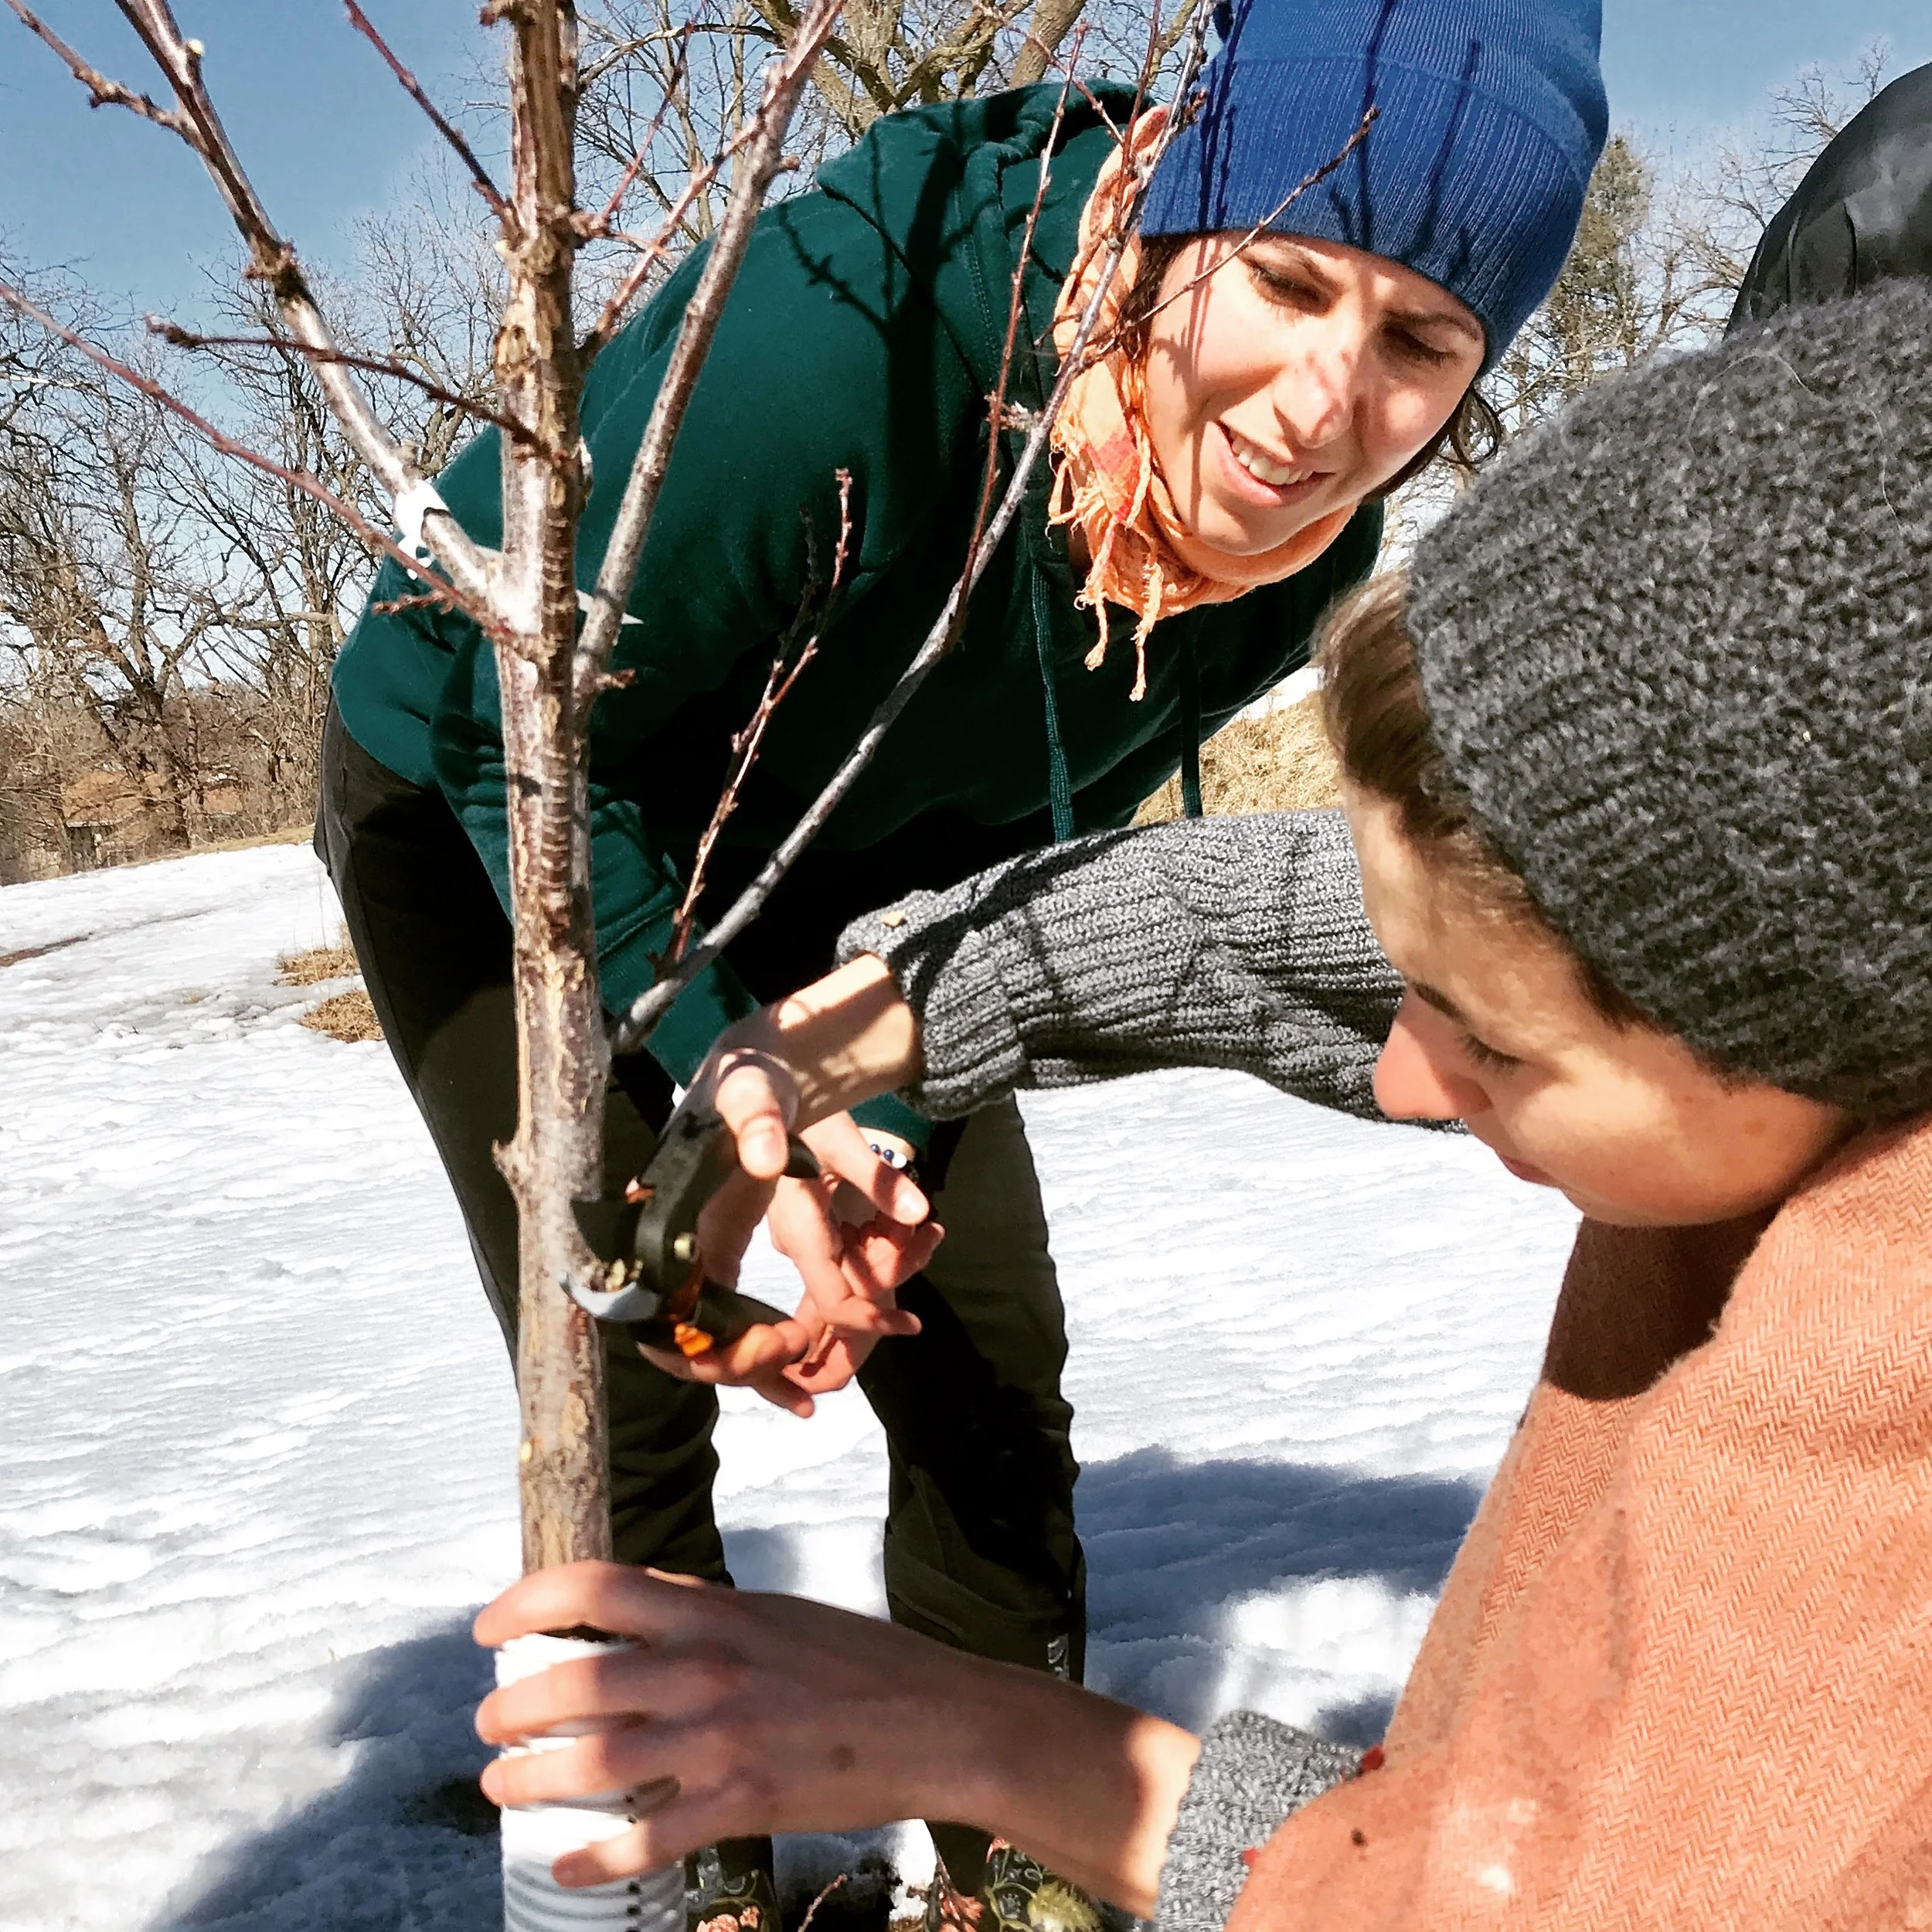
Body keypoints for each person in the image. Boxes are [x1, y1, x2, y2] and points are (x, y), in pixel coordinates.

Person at [315, 2, 1604, 1917]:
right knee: (636, 1338)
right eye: (1282, 279)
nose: (1322, 404)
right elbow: (486, 697)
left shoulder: (1298, 554)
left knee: (976, 1334)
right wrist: (724, 1078)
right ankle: (688, 1882)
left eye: (1420, 339)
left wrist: (879, 1129)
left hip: (878, 874)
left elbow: (1020, 853)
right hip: (506, 791)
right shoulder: (844, 344)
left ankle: (1008, 1873)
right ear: (1166, 219)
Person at [471, 273, 1932, 1926]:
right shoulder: (1839, 966)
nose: (1395, 1073)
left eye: (1490, 1044)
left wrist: (991, 1742)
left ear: (1814, 1027)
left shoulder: (1870, 1406)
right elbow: (1236, 924)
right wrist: (818, 1047)